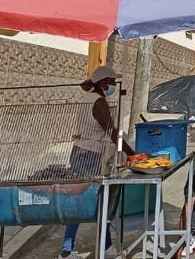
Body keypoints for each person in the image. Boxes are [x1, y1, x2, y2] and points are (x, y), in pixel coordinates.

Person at [61, 66, 134, 259]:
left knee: (78, 201)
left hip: (79, 152)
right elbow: (111, 132)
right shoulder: (99, 103)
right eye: (111, 82)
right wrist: (131, 153)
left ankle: (70, 249)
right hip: (90, 155)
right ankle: (104, 248)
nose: (113, 86)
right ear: (103, 83)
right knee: (99, 202)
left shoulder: (87, 98)